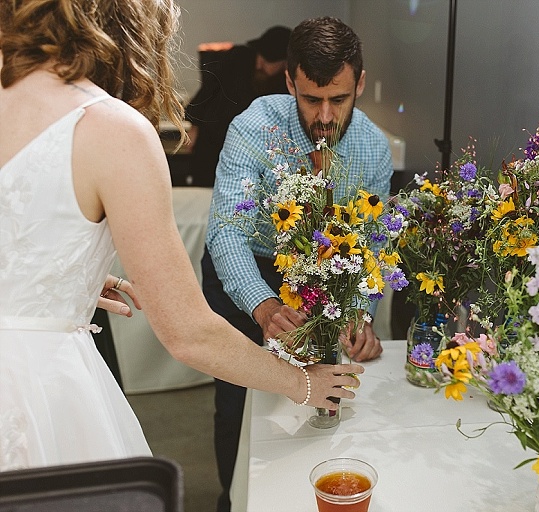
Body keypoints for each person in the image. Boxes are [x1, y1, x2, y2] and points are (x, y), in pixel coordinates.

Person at [0, 0, 362, 472]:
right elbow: (190, 334)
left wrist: (46, 281)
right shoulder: (112, 129)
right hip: (35, 392)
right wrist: (305, 384)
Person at [203, 16, 393, 512]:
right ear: (290, 82)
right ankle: (236, 499)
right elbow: (226, 231)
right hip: (249, 271)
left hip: (326, 273)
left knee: (324, 391)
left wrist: (361, 314)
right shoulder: (252, 128)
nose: (325, 116)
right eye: (311, 99)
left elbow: (370, 244)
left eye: (339, 99)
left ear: (360, 84)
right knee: (241, 396)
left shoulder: (373, 148)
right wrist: (264, 306)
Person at [184, 26, 291, 187]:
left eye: (267, 62)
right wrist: (194, 127)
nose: (260, 66)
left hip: (249, 145)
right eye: (260, 58)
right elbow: (208, 89)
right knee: (204, 184)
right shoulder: (238, 57)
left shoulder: (282, 82)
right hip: (213, 134)